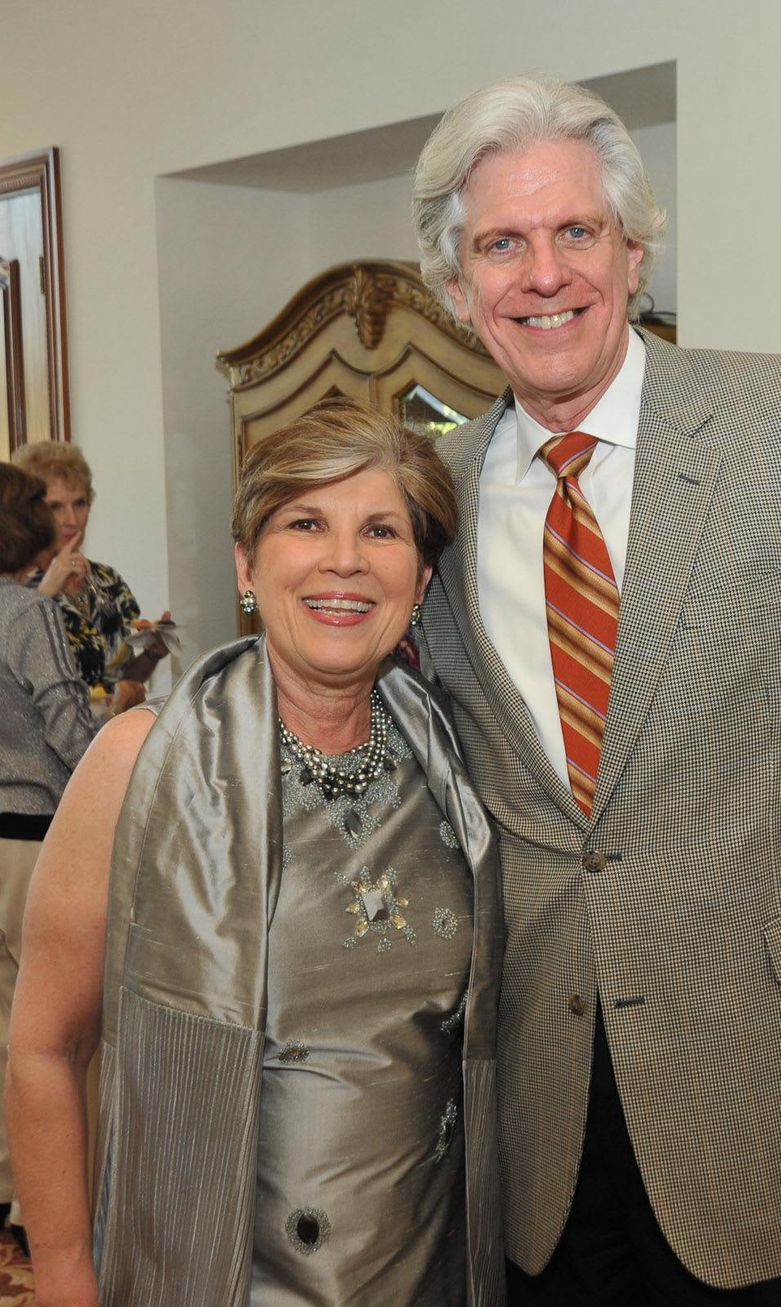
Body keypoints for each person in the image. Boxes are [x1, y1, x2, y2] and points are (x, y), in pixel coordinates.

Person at [411, 75, 781, 1306]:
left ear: (633, 249)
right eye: (500, 243)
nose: (543, 273)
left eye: (575, 232)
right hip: (541, 1149)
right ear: (457, 290)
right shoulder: (430, 500)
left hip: (777, 1121)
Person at [7, 398, 504, 1307]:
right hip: (213, 1274)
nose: (344, 560)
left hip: (428, 1267)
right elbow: (44, 1045)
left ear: (422, 580)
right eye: (306, 522)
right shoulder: (140, 762)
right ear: (247, 562)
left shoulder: (457, 767)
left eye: (382, 530)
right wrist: (71, 1278)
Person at [0, 464, 98, 1253]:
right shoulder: (28, 613)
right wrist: (120, 763)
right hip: (34, 840)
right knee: (57, 1036)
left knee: (4, 1028)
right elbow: (65, 719)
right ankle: (45, 1205)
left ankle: (7, 1186)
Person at [12, 441, 171, 713]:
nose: (71, 519)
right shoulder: (15, 585)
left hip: (106, 739)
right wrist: (49, 588)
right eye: (55, 507)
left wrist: (152, 653)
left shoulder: (108, 580)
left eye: (80, 503)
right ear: (31, 513)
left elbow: (117, 677)